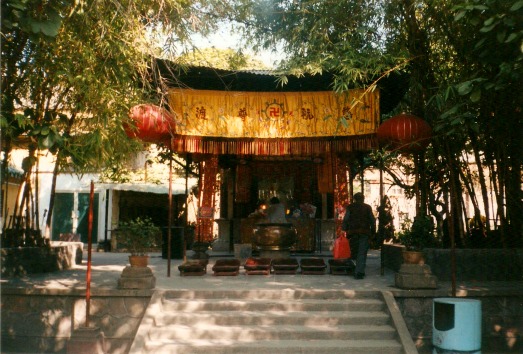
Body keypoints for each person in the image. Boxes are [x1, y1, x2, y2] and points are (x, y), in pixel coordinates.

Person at [341, 192, 376, 279]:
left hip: (352, 233)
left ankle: (354, 269)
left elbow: (346, 219)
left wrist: (344, 229)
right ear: (363, 199)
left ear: (354, 199)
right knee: (362, 253)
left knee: (353, 252)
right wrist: (373, 232)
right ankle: (359, 272)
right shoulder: (367, 207)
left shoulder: (350, 207)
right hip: (364, 233)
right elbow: (373, 221)